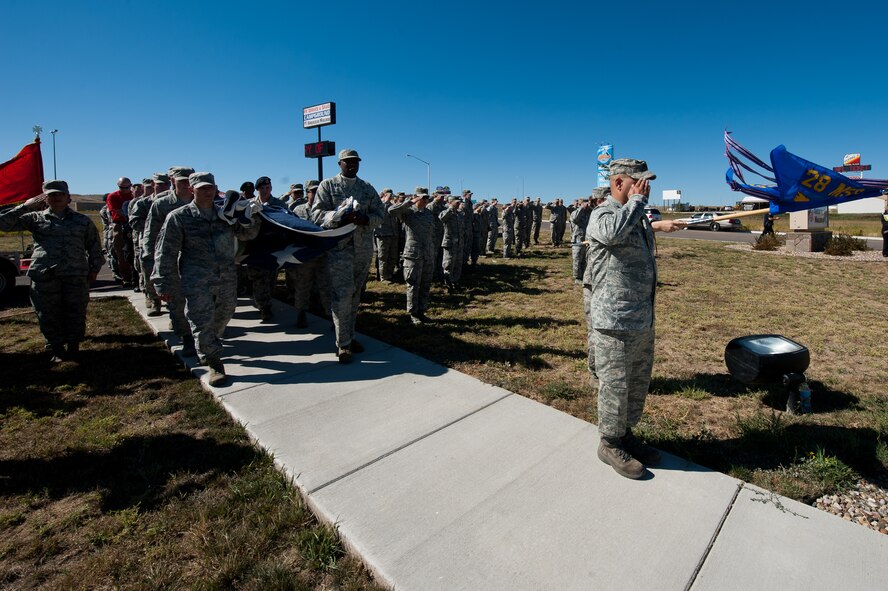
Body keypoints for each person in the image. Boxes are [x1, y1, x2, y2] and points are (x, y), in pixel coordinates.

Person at [585, 158, 685, 479]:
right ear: (618, 184)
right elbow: (613, 233)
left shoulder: (635, 216)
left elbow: (634, 229)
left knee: (636, 382)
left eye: (646, 184)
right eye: (638, 183)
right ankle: (610, 442)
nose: (645, 188)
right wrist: (639, 203)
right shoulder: (602, 214)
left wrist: (658, 224)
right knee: (615, 385)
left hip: (640, 316)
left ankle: (625, 433)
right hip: (614, 320)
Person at [153, 174, 259, 386]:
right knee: (201, 318)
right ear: (192, 189)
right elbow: (166, 251)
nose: (207, 192)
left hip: (226, 276)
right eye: (202, 188)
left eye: (210, 187)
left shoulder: (225, 214)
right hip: (196, 277)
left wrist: (252, 216)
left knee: (226, 311)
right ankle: (214, 362)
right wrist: (162, 281)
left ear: (216, 188)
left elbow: (247, 235)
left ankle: (210, 341)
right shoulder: (179, 217)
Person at [0, 180, 104, 362]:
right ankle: (56, 348)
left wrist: (94, 269)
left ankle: (73, 346)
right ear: (45, 199)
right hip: (45, 275)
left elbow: (94, 246)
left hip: (75, 275)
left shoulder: (82, 221)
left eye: (60, 194)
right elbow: (3, 224)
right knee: (47, 313)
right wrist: (24, 206)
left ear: (68, 197)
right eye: (51, 195)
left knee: (76, 311)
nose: (56, 198)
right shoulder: (34, 218)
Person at [311, 148, 385, 363]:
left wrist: (364, 219)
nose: (352, 165)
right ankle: (343, 344)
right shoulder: (328, 185)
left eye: (355, 162)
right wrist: (338, 216)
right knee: (342, 296)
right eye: (348, 162)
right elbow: (316, 214)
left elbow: (380, 214)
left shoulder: (366, 187)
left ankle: (349, 336)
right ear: (340, 164)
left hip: (362, 249)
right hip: (340, 250)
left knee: (354, 296)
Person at [142, 166, 196, 355]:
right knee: (176, 301)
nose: (187, 184)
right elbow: (150, 233)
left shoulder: (204, 202)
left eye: (190, 180)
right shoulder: (162, 204)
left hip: (196, 261)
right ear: (173, 181)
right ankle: (187, 338)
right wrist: (150, 261)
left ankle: (201, 335)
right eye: (182, 181)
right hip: (170, 260)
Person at [288, 179, 331, 328]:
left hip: (324, 256)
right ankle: (301, 313)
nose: (315, 193)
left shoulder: (327, 210)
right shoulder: (298, 211)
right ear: (307, 193)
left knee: (326, 287)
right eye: (312, 191)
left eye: (318, 190)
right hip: (305, 256)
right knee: (302, 286)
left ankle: (331, 317)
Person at [389, 187, 436, 324]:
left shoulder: (428, 213)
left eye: (427, 198)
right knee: (413, 284)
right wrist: (410, 202)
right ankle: (413, 312)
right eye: (423, 197)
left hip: (427, 253)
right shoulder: (408, 212)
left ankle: (422, 310)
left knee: (425, 284)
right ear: (416, 197)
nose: (425, 200)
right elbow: (391, 211)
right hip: (413, 254)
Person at [106, 177, 135, 285]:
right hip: (120, 225)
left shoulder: (133, 195)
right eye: (122, 187)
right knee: (121, 253)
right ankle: (126, 278)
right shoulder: (113, 196)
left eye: (127, 187)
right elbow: (117, 211)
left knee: (134, 252)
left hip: (132, 224)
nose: (124, 190)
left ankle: (135, 277)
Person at [439, 194, 465, 291]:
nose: (458, 204)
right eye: (456, 203)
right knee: (448, 264)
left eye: (459, 203)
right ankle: (448, 285)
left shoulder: (459, 214)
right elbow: (442, 218)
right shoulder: (446, 213)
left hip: (459, 243)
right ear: (450, 203)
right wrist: (450, 208)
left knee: (458, 264)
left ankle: (455, 282)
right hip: (449, 243)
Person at [374, 188, 399, 282]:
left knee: (392, 256)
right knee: (383, 256)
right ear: (384, 195)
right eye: (389, 195)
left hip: (392, 234)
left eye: (392, 195)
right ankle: (383, 277)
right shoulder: (380, 205)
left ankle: (390, 274)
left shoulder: (392, 206)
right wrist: (385, 201)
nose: (391, 196)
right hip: (382, 234)